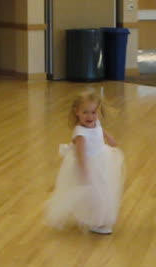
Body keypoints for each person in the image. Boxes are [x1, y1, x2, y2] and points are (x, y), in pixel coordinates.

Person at [44, 91, 125, 235]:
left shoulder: (96, 122)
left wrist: (109, 138)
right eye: (85, 112)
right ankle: (96, 221)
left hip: (101, 159)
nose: (90, 116)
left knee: (103, 190)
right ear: (77, 112)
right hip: (88, 164)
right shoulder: (80, 133)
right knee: (93, 193)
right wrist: (84, 169)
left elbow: (100, 129)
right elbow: (81, 154)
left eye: (93, 112)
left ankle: (97, 218)